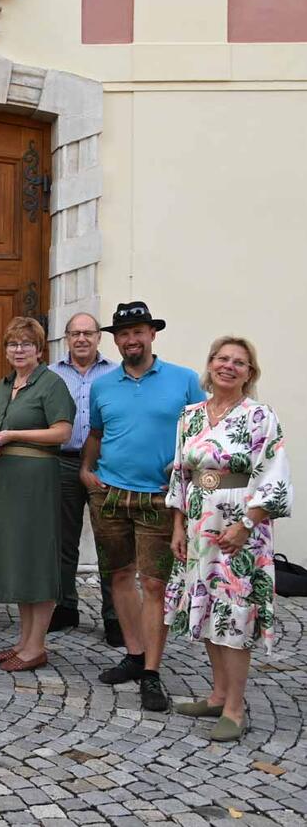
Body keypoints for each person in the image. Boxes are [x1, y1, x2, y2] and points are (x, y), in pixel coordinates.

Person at [166, 337, 292, 741]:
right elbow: (182, 476)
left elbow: (273, 473)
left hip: (240, 524)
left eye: (239, 362)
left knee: (235, 610)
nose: (229, 366)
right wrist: (177, 526)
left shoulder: (260, 416)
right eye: (222, 359)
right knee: (206, 608)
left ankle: (236, 709)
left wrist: (247, 524)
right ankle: (218, 695)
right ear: (210, 364)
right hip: (198, 522)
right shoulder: (190, 416)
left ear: (249, 373)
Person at [81, 301, 205, 712]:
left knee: (154, 583)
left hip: (159, 495)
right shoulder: (103, 385)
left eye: (139, 331)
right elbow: (97, 433)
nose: (131, 339)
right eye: (123, 333)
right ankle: (134, 655)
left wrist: (188, 465)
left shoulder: (184, 380)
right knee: (117, 575)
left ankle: (152, 672)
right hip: (111, 492)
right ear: (114, 340)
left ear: (153, 334)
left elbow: (204, 435)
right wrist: (86, 469)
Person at [0, 317, 75, 672]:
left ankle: (37, 646)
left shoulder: (51, 384)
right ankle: (23, 640)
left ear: (39, 349)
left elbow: (62, 433)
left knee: (36, 558)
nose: (18, 350)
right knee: (19, 558)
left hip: (36, 482)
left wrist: (15, 436)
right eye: (12, 344)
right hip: (4, 479)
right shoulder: (3, 386)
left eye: (25, 344)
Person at [48, 313, 120, 642]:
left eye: (88, 333)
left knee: (111, 541)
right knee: (63, 540)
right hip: (62, 462)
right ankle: (65, 607)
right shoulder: (51, 374)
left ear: (98, 338)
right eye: (75, 333)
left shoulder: (115, 373)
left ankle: (115, 615)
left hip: (105, 465)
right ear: (66, 337)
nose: (81, 339)